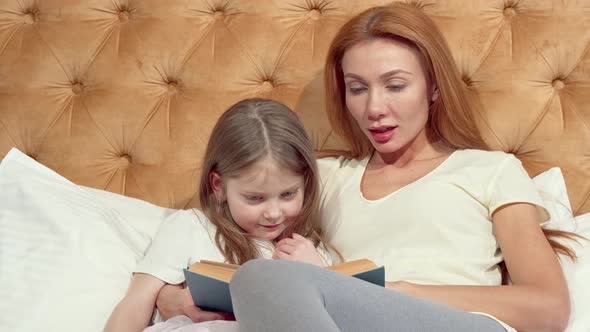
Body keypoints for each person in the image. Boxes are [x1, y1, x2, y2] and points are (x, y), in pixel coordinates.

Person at [226, 3, 577, 332]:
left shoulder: (491, 170)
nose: (374, 107)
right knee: (257, 279)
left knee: (262, 279)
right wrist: (171, 293)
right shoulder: (327, 177)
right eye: (357, 88)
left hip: (458, 323)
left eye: (395, 85)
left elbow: (548, 307)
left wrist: (394, 290)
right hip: (356, 320)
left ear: (434, 87)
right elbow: (238, 217)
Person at [103, 98, 335, 332]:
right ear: (218, 186)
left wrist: (319, 275)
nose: (274, 213)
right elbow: (135, 303)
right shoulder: (192, 228)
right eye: (254, 198)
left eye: (288, 194)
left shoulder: (311, 250)